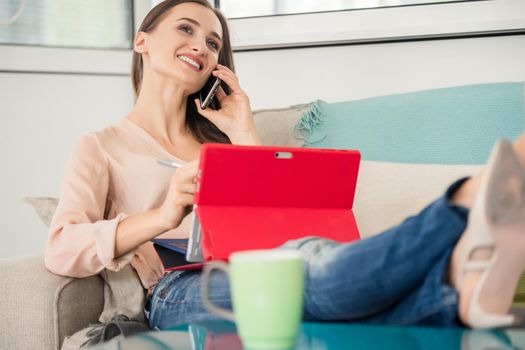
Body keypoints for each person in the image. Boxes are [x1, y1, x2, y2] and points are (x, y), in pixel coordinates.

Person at [45, 0, 525, 332]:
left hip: (268, 259)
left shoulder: (225, 141)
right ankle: (465, 205)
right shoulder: (101, 145)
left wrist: (242, 131)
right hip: (181, 287)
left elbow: (280, 221)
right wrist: (164, 214)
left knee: (317, 273)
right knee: (308, 279)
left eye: (214, 43)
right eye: (186, 29)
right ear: (142, 41)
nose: (202, 46)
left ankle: (459, 296)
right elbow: (62, 248)